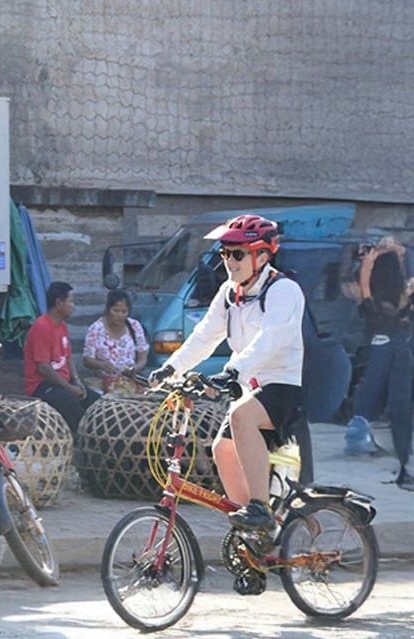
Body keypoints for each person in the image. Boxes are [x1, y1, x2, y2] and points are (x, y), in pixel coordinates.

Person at [147, 214, 305, 594]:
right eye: (224, 253)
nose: (229, 261)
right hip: (250, 386)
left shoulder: (284, 291)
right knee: (222, 447)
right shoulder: (229, 293)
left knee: (240, 418)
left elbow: (270, 341)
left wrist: (232, 372)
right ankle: (252, 540)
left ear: (262, 256)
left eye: (236, 253)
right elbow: (204, 336)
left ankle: (260, 509)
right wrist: (169, 369)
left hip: (282, 385)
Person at [342, 239, 413, 489]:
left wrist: (384, 252)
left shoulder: (392, 295)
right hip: (385, 342)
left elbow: (367, 289)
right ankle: (362, 436)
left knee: (380, 389)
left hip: (392, 343)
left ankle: (369, 437)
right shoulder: (381, 300)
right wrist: (375, 258)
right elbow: (366, 292)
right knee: (374, 387)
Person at [24, 281, 98, 434]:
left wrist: (77, 380)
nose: (73, 306)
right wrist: (70, 388)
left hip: (63, 382)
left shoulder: (62, 326)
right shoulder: (42, 327)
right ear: (59, 303)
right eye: (71, 301)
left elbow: (68, 357)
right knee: (74, 408)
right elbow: (43, 368)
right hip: (43, 385)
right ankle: (77, 448)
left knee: (96, 403)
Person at [83, 289, 148, 393]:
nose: (120, 315)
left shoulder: (135, 326)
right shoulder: (96, 329)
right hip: (104, 383)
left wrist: (134, 368)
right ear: (108, 309)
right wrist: (102, 365)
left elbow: (143, 358)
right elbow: (87, 360)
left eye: (124, 312)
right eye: (116, 310)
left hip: (130, 381)